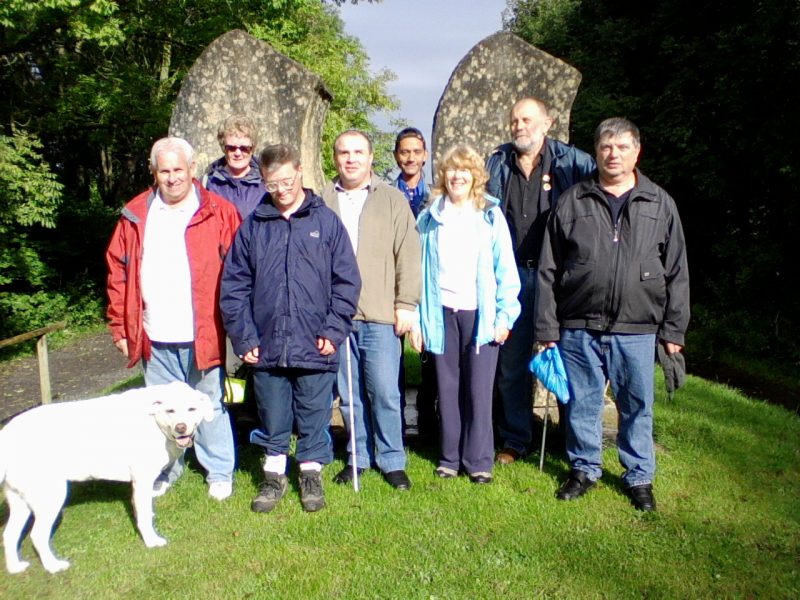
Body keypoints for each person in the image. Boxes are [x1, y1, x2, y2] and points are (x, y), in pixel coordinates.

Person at [535, 117, 690, 511]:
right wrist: (547, 326)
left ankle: (638, 476)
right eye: (606, 147)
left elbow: (677, 270)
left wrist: (674, 327)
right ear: (597, 152)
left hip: (637, 326)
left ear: (636, 152)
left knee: (636, 404)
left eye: (622, 147)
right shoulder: (573, 200)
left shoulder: (660, 203)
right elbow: (549, 267)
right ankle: (584, 469)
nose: (613, 154)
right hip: (579, 324)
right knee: (583, 402)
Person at [220, 144, 361, 513]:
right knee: (273, 417)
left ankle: (311, 476)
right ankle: (273, 477)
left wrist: (333, 331)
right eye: (271, 183)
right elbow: (234, 286)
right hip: (266, 346)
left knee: (314, 416)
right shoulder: (254, 225)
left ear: (299, 171)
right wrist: (244, 337)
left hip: (316, 345)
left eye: (286, 180)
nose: (280, 189)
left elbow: (347, 282)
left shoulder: (325, 222)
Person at [106, 136, 240, 501]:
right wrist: (120, 326)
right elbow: (118, 273)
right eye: (164, 171)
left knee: (208, 404)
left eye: (178, 169)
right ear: (154, 172)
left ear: (192, 169)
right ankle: (168, 469)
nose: (172, 178)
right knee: (161, 412)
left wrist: (239, 328)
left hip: (204, 331)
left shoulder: (219, 211)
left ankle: (219, 471)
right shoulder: (135, 214)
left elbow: (240, 271)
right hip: (154, 332)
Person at [486, 97, 596, 465]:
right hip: (511, 276)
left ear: (547, 124)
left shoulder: (576, 163)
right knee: (511, 365)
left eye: (527, 119)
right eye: (514, 119)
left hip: (559, 277)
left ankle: (571, 440)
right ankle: (515, 439)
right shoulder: (497, 162)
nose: (519, 126)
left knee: (567, 359)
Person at [411, 145, 520, 483]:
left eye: (464, 169)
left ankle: (479, 461)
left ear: (476, 175)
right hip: (441, 314)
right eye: (451, 169)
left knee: (478, 391)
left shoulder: (489, 215)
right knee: (448, 388)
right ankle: (449, 458)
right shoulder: (429, 218)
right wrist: (416, 320)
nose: (457, 175)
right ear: (443, 175)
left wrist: (505, 317)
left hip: (481, 316)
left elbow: (507, 271)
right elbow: (416, 271)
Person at [321, 129, 421, 490]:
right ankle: (357, 457)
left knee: (384, 392)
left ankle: (392, 459)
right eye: (344, 152)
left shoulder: (392, 200)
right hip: (336, 317)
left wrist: (406, 303)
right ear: (335, 158)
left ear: (370, 156)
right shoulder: (320, 201)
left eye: (358, 152)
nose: (351, 159)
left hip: (379, 312)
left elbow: (408, 254)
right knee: (349, 396)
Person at [390, 127, 437, 442]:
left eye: (416, 152)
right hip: (393, 279)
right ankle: (394, 424)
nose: (410, 157)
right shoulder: (384, 193)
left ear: (425, 156)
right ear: (396, 155)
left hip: (429, 278)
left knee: (430, 352)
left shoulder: (436, 195)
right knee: (393, 355)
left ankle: (429, 421)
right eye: (404, 152)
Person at [204, 114, 263, 220]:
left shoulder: (266, 182)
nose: (237, 153)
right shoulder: (208, 182)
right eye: (231, 148)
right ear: (223, 148)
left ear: (253, 148)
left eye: (244, 148)